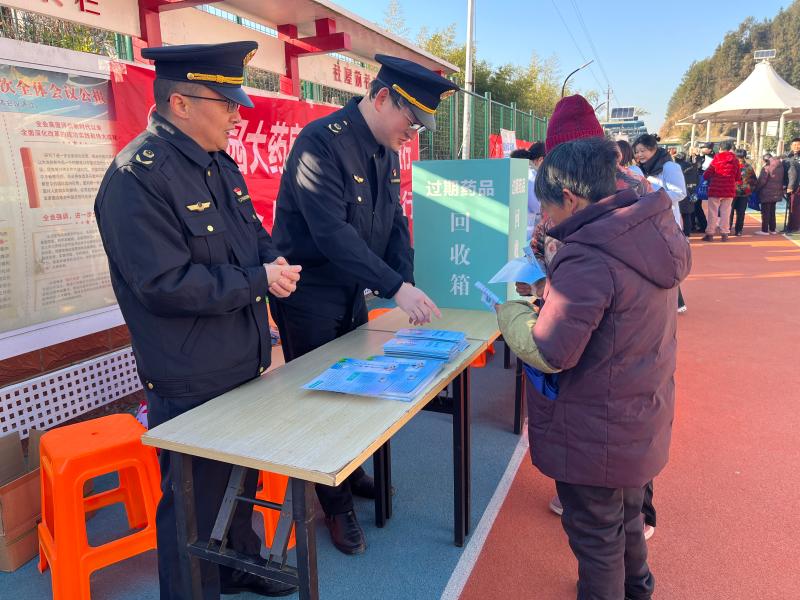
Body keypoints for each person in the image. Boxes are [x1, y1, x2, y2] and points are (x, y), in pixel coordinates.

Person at [94, 42, 303, 599]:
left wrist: (273, 265)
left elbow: (252, 234)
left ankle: (239, 564)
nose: (237, 115)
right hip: (190, 376)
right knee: (194, 506)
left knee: (238, 481)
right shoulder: (136, 178)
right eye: (226, 103)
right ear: (181, 103)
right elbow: (164, 284)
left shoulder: (217, 163)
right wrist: (257, 280)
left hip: (239, 360)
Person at [269, 54, 456, 556]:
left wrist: (406, 281)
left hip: (352, 288)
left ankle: (348, 473)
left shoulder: (385, 151)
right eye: (410, 122)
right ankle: (335, 506)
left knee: (353, 387)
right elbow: (332, 235)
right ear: (381, 98)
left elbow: (394, 223)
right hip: (308, 293)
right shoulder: (319, 144)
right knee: (321, 398)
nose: (412, 135)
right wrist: (395, 287)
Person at [497, 137, 691, 600]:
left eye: (547, 209)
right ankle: (637, 588)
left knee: (595, 534)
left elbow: (552, 351)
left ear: (570, 198)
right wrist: (551, 284)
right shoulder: (647, 228)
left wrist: (512, 314)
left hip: (595, 423)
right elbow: (615, 307)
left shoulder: (589, 253)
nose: (546, 220)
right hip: (639, 409)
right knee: (626, 516)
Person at [518, 96, 658, 537]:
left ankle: (624, 509)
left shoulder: (611, 211)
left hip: (603, 334)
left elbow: (554, 350)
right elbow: (543, 241)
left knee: (599, 527)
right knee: (623, 448)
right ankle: (625, 515)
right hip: (626, 337)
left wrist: (524, 314)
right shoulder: (639, 194)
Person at [633, 134, 688, 312]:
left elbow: (679, 192)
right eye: (637, 152)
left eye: (643, 151)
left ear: (653, 149)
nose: (639, 155)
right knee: (656, 261)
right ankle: (674, 301)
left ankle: (676, 302)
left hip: (666, 220)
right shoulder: (640, 169)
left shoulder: (669, 167)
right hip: (650, 219)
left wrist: (652, 199)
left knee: (666, 261)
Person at [701, 140, 741, 242]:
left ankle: (710, 234)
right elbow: (738, 177)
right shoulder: (735, 160)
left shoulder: (717, 158)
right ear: (730, 148)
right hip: (729, 189)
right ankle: (725, 233)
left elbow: (707, 174)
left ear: (720, 148)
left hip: (716, 189)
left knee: (712, 212)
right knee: (726, 212)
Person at [754, 153, 785, 235]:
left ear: (765, 160)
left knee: (765, 212)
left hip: (766, 193)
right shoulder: (780, 167)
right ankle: (772, 229)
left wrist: (756, 189)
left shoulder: (766, 167)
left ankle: (764, 230)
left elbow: (762, 181)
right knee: (772, 211)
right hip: (776, 192)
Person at [730, 149, 757, 236]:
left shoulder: (748, 167)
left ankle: (739, 230)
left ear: (744, 157)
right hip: (731, 193)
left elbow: (754, 180)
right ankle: (727, 228)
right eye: (738, 157)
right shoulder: (730, 166)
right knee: (729, 212)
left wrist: (749, 189)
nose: (739, 160)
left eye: (741, 157)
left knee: (741, 213)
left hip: (744, 194)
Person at [675, 152, 698, 236]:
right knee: (687, 213)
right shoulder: (692, 166)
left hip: (680, 190)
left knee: (676, 212)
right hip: (691, 191)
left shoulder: (676, 167)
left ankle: (677, 232)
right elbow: (697, 178)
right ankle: (688, 231)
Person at [692, 142, 714, 232]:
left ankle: (702, 225)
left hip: (703, 184)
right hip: (699, 183)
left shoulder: (711, 158)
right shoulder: (702, 157)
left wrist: (698, 157)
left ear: (709, 149)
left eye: (703, 148)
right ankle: (698, 224)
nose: (701, 149)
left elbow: (700, 168)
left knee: (696, 205)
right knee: (696, 205)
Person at [784, 137, 800, 233]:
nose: (796, 146)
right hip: (790, 185)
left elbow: (793, 173)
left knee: (795, 207)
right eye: (794, 145)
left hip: (796, 186)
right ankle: (791, 225)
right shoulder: (788, 156)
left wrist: (790, 186)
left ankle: (794, 227)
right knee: (792, 206)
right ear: (791, 146)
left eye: (798, 145)